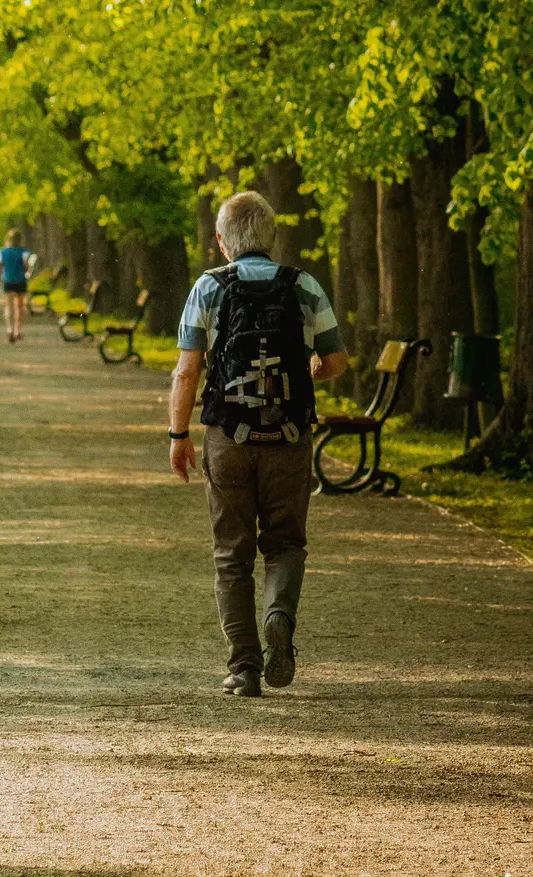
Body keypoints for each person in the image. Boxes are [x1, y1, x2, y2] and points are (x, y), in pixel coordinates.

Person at [166, 192, 349, 698]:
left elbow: (187, 370)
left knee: (232, 555)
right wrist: (312, 366)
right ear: (271, 238)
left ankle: (244, 667)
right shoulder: (304, 285)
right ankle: (278, 616)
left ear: (222, 241)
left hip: (229, 437)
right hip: (289, 438)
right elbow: (336, 361)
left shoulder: (208, 287)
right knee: (286, 543)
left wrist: (178, 435)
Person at [0, 229, 32, 343]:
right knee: (20, 306)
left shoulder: (3, 252)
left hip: (8, 280)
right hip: (20, 281)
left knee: (9, 306)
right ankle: (17, 330)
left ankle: (9, 329)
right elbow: (26, 267)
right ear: (20, 240)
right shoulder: (24, 252)